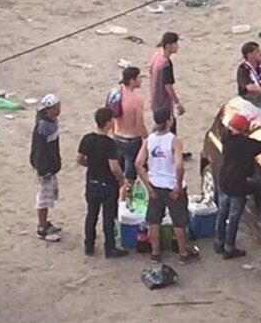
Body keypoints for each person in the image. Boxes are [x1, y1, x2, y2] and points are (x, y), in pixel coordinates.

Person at [215, 113, 261, 259]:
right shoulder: (246, 145)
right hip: (237, 185)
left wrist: (255, 128)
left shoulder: (226, 138)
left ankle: (219, 243)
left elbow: (243, 136)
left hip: (224, 181)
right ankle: (229, 248)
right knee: (234, 217)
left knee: (222, 213)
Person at [136, 108, 199, 264]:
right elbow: (179, 166)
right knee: (179, 221)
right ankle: (183, 253)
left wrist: (148, 186)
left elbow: (138, 164)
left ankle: (155, 253)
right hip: (171, 186)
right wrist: (178, 185)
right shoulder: (173, 140)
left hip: (155, 185)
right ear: (168, 122)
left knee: (154, 220)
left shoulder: (149, 140)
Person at [77, 107, 127, 258]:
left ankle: (89, 244)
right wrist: (121, 179)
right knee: (108, 216)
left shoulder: (87, 139)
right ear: (107, 123)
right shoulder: (109, 144)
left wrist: (91, 166)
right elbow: (114, 168)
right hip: (107, 184)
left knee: (91, 214)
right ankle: (109, 248)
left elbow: (79, 159)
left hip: (92, 180)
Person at [29, 93, 63, 242]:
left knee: (49, 196)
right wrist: (44, 170)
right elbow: (40, 150)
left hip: (50, 167)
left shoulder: (49, 121)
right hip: (45, 169)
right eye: (56, 107)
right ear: (49, 109)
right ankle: (42, 228)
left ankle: (45, 222)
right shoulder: (44, 126)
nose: (59, 109)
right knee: (44, 198)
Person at [113, 66, 148, 201]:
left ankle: (116, 202)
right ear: (132, 80)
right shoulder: (136, 101)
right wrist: (147, 138)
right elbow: (139, 125)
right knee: (130, 178)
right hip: (131, 141)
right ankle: (124, 203)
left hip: (117, 136)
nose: (141, 80)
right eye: (139, 78)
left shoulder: (116, 94)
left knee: (118, 174)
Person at [149, 32, 184, 134]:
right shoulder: (166, 64)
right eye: (175, 44)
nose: (177, 46)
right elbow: (168, 86)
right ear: (168, 46)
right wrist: (177, 103)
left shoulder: (156, 56)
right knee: (167, 130)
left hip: (154, 100)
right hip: (163, 103)